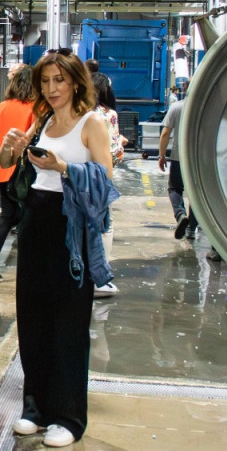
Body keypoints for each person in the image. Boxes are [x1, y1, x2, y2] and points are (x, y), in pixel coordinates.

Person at [0, 51, 117, 448]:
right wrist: (12, 149)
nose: (51, 89)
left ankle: (68, 417)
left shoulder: (92, 123)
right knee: (32, 319)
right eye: (46, 82)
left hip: (70, 228)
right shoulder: (43, 119)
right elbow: (9, 164)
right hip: (35, 220)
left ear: (75, 83)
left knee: (68, 323)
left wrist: (63, 168)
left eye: (59, 81)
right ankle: (34, 408)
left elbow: (104, 183)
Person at [0, 64, 35, 283]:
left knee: (6, 215)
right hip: (25, 173)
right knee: (28, 217)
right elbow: (34, 141)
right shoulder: (36, 108)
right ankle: (28, 268)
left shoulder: (3, 106)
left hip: (4, 170)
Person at [86, 58, 126, 298]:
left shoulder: (75, 113)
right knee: (103, 226)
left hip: (75, 175)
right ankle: (100, 276)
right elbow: (113, 153)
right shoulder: (108, 115)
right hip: (99, 177)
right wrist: (120, 145)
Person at [158, 80, 196, 240]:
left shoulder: (177, 107)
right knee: (197, 195)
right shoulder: (205, 107)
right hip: (198, 161)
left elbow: (166, 132)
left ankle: (180, 215)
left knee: (174, 189)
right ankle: (191, 230)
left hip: (179, 158)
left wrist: (161, 155)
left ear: (184, 90)